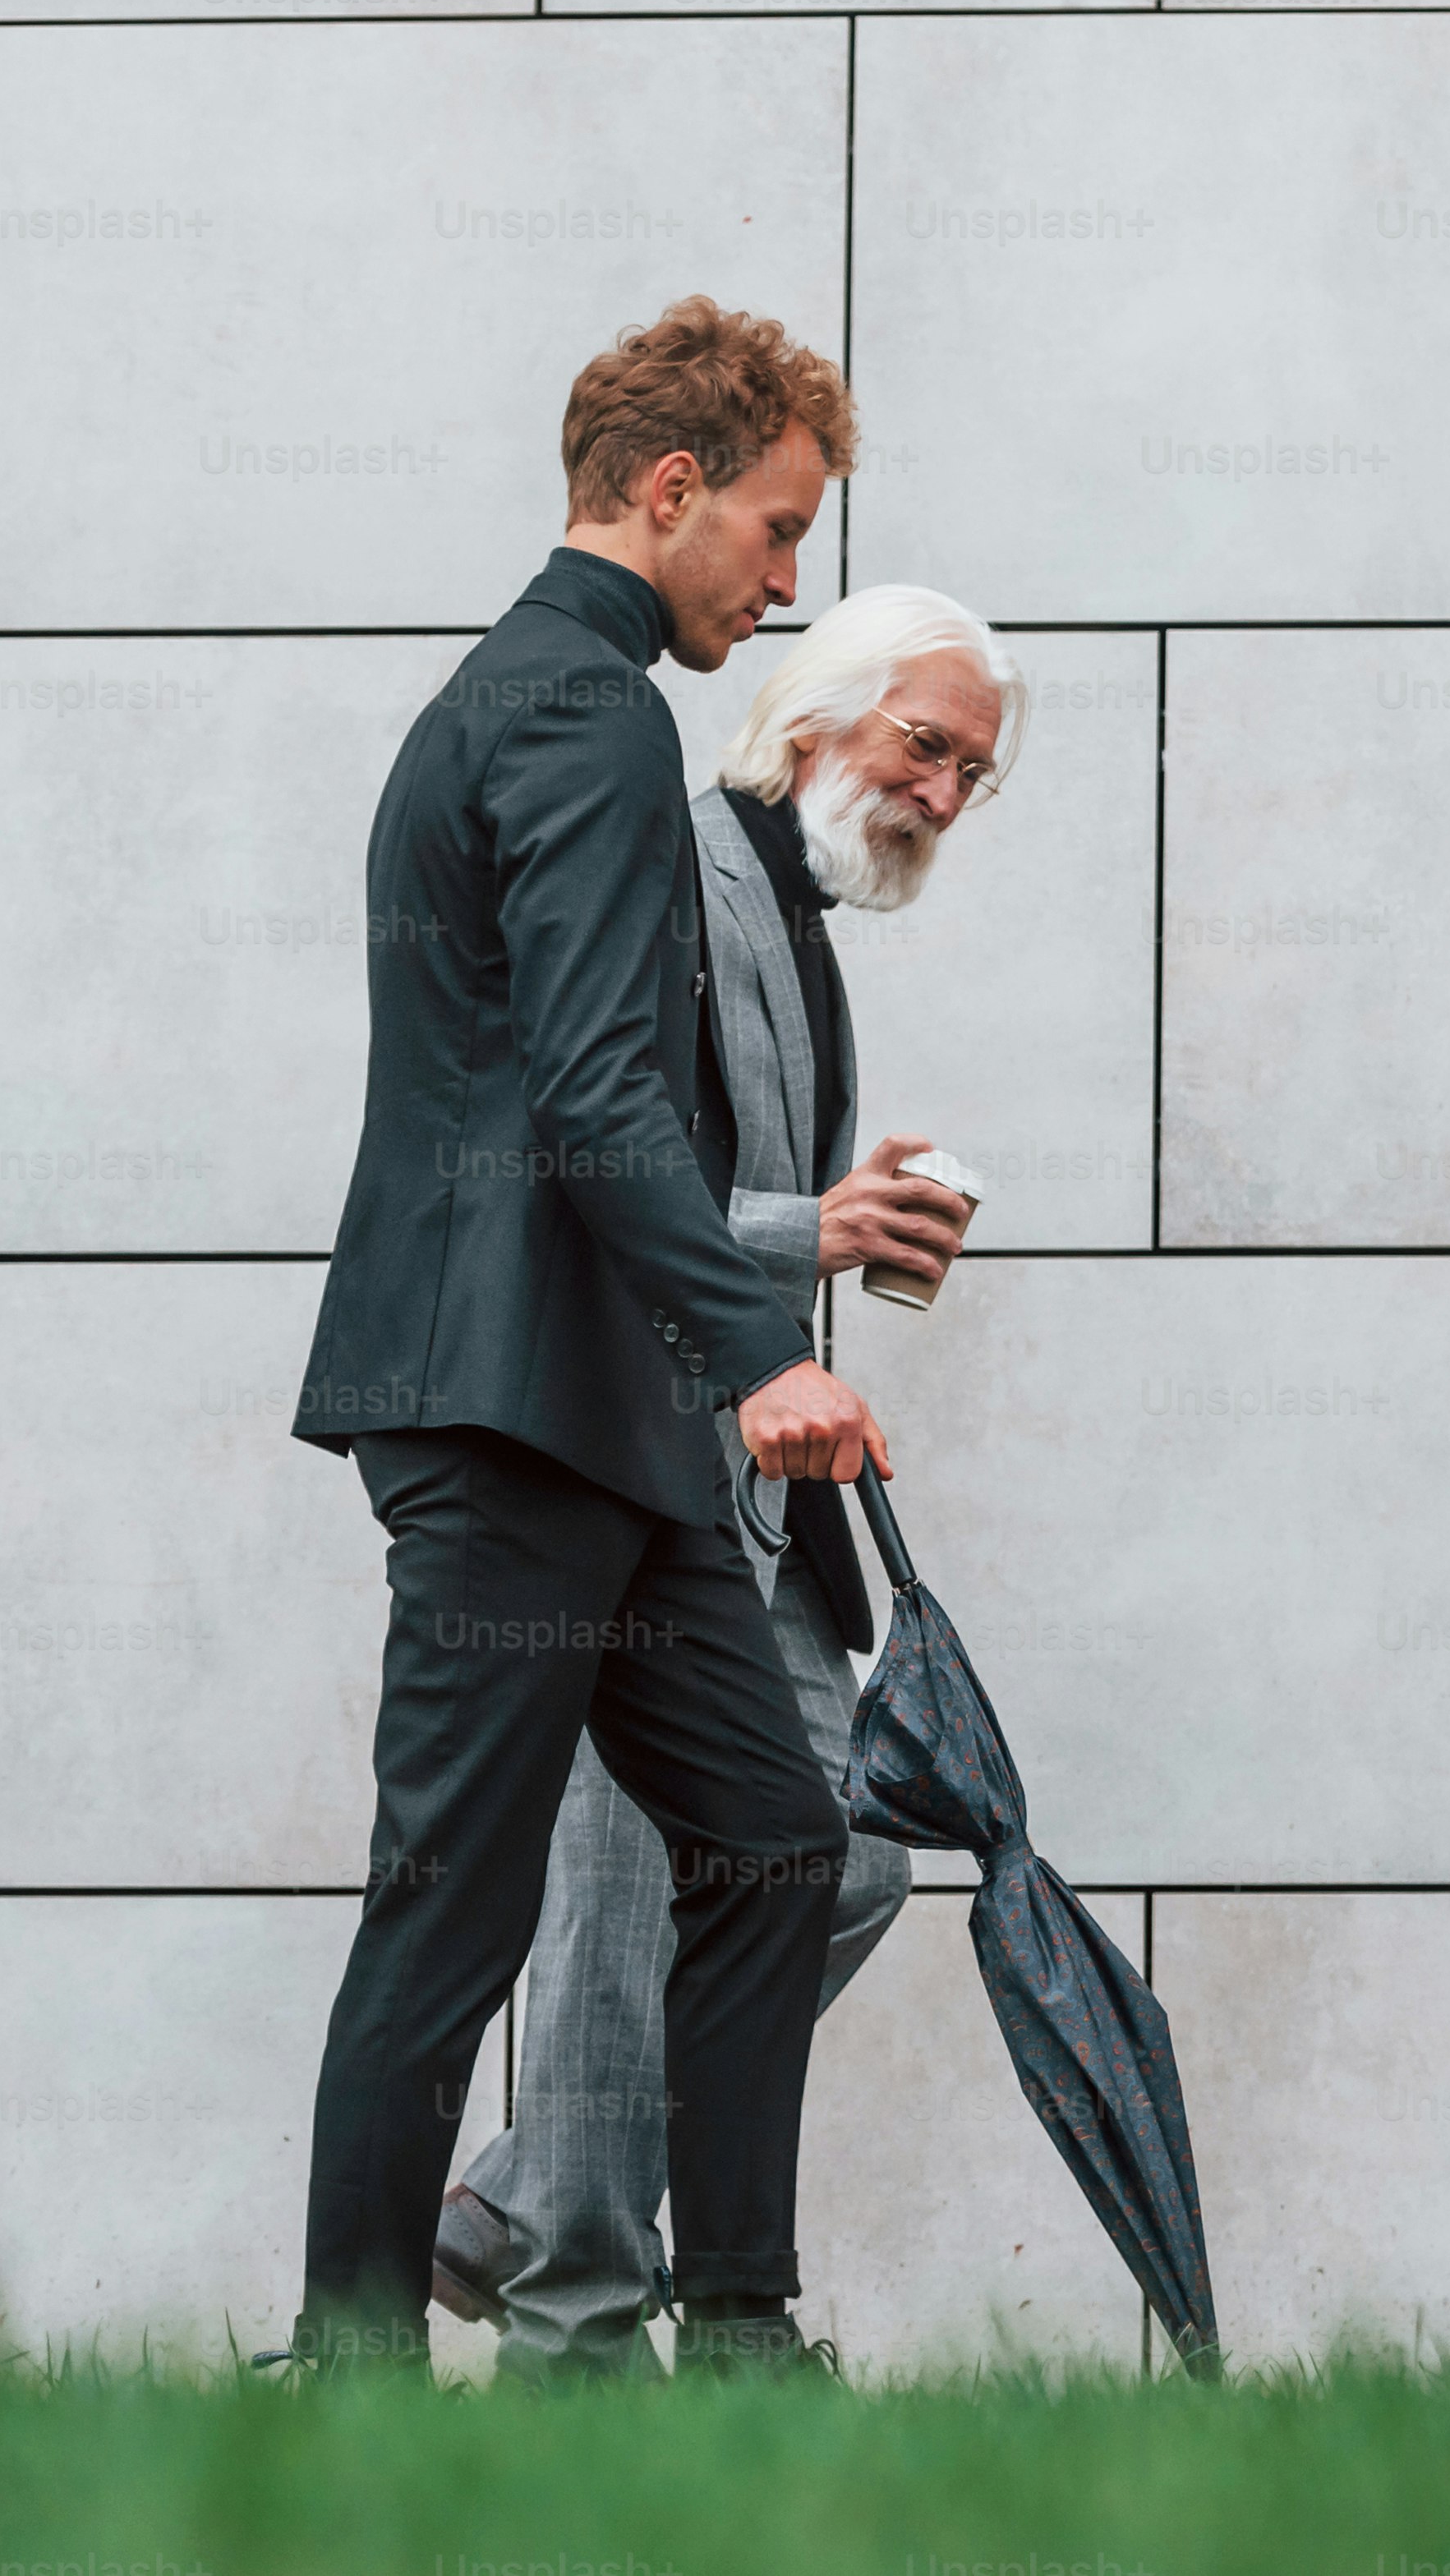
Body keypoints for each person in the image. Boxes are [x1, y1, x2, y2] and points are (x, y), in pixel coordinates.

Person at [283, 298, 893, 2376]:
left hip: (594, 1429)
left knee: (775, 1840)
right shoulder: (573, 710)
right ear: (670, 491)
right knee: (444, 1914)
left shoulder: (560, 699)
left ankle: (731, 2337)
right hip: (512, 1411)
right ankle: (354, 2380)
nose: (789, 582)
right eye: (780, 531)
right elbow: (594, 1089)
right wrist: (761, 1345)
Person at [433, 584, 1026, 2379]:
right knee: (616, 1930)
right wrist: (808, 1225)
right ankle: (580, 2341)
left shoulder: (793, 913)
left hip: (745, 1512)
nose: (939, 790)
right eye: (923, 742)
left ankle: (513, 2201)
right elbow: (576, 1159)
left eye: (971, 774)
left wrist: (839, 1218)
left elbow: (701, 1169)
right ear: (816, 714)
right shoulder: (685, 868)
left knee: (838, 1863)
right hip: (630, 1482)